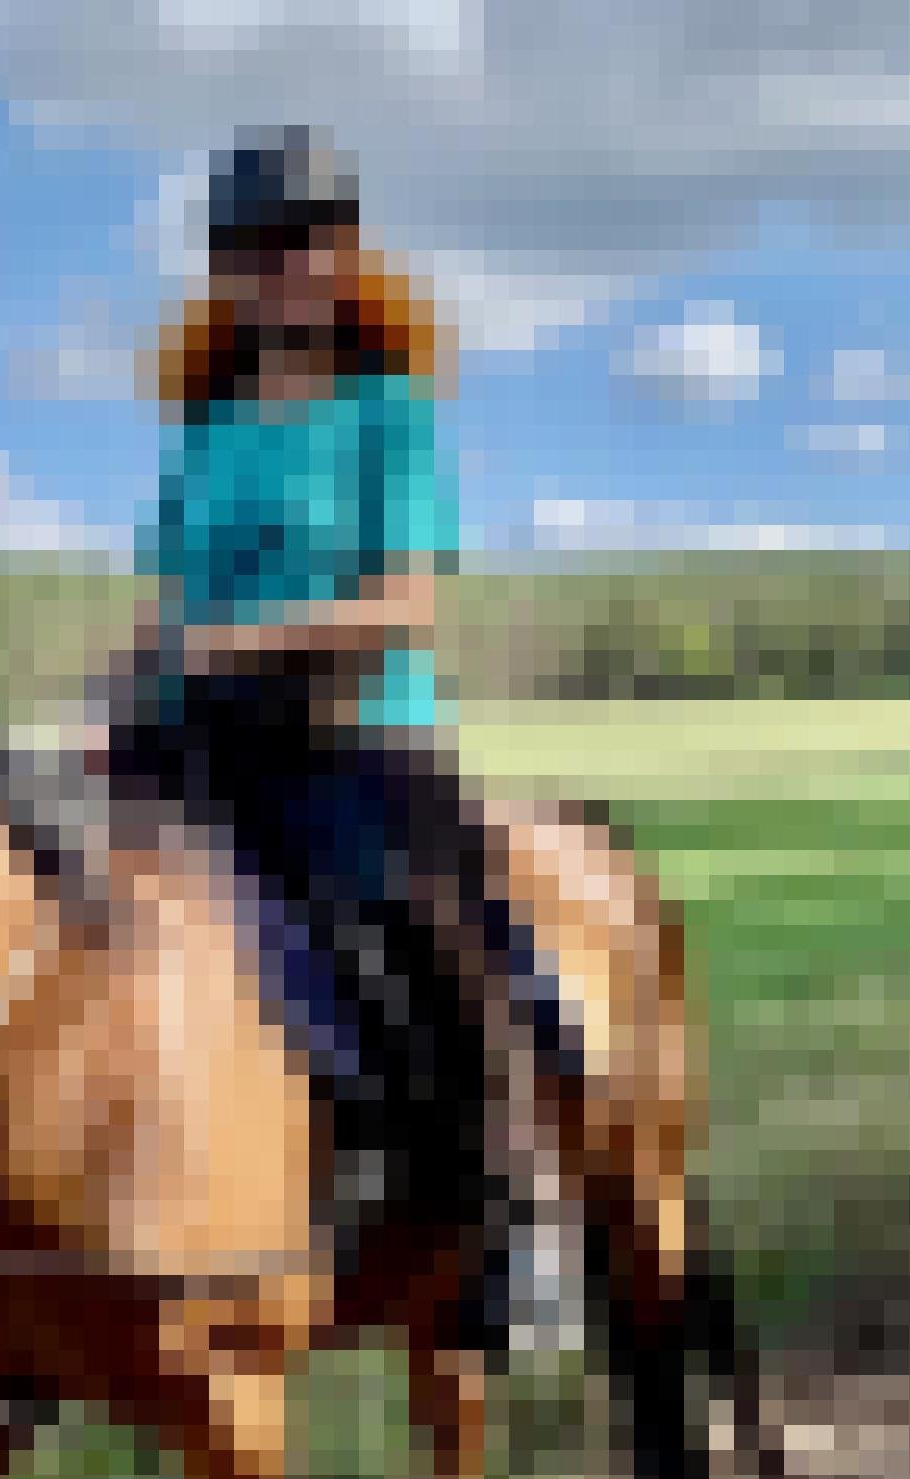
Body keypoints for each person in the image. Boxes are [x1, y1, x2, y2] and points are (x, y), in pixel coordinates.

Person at [101, 124, 572, 1367]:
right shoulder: (203, 429)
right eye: (250, 246)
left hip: (359, 729)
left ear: (348, 253)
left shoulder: (388, 412)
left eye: (305, 240)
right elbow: (158, 608)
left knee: (440, 941)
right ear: (223, 269)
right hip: (205, 738)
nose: (279, 267)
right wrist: (130, 678)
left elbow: (406, 604)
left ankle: (519, 1223)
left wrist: (231, 641)